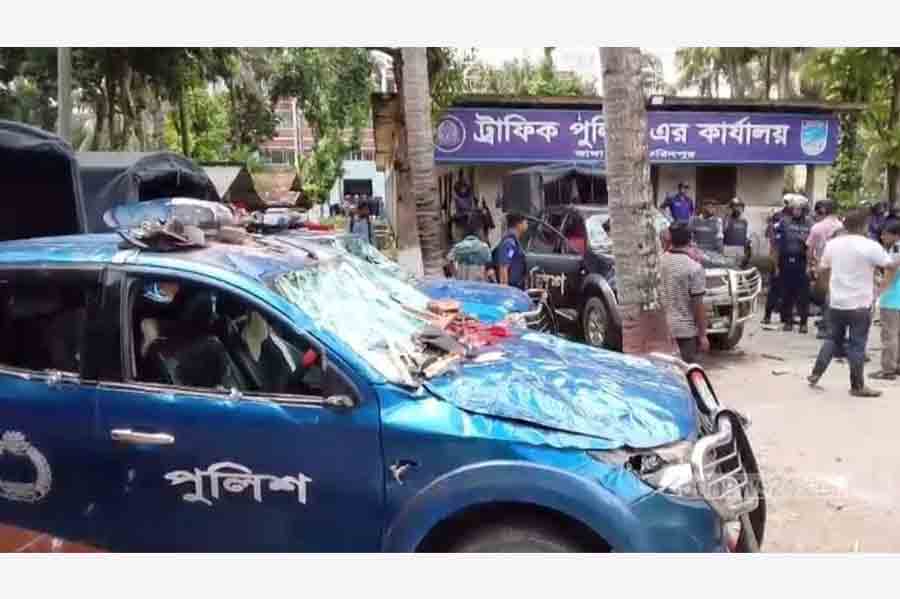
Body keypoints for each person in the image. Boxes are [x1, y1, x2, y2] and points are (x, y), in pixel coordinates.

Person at [808, 209, 895, 397]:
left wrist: (826, 289)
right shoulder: (870, 246)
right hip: (860, 303)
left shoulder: (833, 245)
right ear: (864, 225)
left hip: (837, 302)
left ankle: (816, 374)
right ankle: (857, 386)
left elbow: (823, 270)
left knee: (832, 339)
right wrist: (882, 289)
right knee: (857, 344)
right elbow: (890, 266)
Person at [660, 222, 708, 363]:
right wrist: (703, 335)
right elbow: (698, 305)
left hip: (662, 329)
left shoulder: (659, 262)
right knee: (687, 371)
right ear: (690, 240)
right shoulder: (694, 268)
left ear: (670, 238)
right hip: (685, 333)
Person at [773, 194, 813, 333]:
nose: (796, 211)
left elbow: (811, 247)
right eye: (794, 208)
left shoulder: (810, 224)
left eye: (799, 209)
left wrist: (809, 265)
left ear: (804, 210)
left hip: (802, 262)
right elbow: (777, 245)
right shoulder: (784, 222)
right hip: (786, 261)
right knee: (787, 293)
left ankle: (803, 323)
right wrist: (776, 265)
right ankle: (788, 321)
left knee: (803, 294)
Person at [807, 200, 843, 339]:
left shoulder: (817, 227)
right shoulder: (841, 226)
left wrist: (810, 265)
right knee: (832, 295)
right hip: (839, 265)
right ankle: (827, 322)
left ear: (821, 211)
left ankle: (827, 327)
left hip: (822, 265)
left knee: (826, 295)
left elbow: (810, 250)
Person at [872, 221, 900, 379]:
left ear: (896, 235)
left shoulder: (896, 249)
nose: (882, 237)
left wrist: (880, 288)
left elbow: (891, 270)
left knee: (889, 335)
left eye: (885, 234)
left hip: (892, 298)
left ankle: (888, 369)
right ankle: (897, 364)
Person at [447, 216, 494, 282]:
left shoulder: (458, 246)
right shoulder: (484, 247)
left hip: (463, 283)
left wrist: (455, 274)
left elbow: (449, 260)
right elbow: (490, 271)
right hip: (479, 283)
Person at [493, 212, 529, 290]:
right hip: (510, 288)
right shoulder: (510, 243)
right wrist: (505, 290)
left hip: (515, 287)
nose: (527, 225)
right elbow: (503, 267)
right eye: (525, 223)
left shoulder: (514, 242)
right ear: (519, 224)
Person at [722, 197, 752, 265]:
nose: (738, 209)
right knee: (730, 268)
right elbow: (722, 233)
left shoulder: (744, 222)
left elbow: (746, 237)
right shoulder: (726, 220)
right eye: (735, 207)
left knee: (739, 268)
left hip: (740, 249)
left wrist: (748, 251)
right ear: (731, 208)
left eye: (740, 207)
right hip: (728, 249)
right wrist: (727, 215)